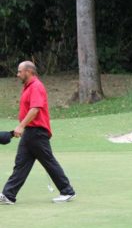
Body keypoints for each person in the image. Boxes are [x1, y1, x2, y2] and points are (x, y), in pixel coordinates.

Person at [0, 61, 76, 205]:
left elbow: (35, 109)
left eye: (19, 71)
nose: (17, 75)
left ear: (28, 71)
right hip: (31, 131)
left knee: (48, 161)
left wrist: (21, 126)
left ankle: (67, 191)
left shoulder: (36, 86)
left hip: (37, 131)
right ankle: (8, 195)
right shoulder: (28, 87)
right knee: (21, 164)